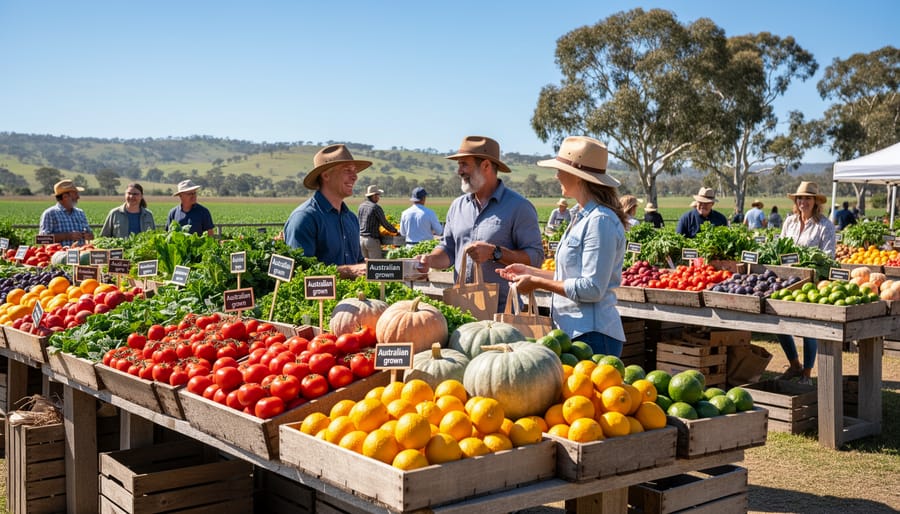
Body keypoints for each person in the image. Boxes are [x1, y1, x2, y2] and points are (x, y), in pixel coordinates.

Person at [497, 136, 627, 356]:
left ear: (578, 177)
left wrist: (537, 282)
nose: (556, 175)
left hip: (592, 336)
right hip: (574, 333)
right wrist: (529, 271)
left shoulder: (599, 221)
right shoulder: (581, 217)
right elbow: (569, 276)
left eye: (560, 170)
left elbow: (592, 288)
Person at [416, 135, 543, 312]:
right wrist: (430, 260)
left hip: (503, 312)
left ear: (485, 166)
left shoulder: (519, 207)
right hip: (463, 308)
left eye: (464, 164)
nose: (459, 171)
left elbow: (535, 258)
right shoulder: (457, 206)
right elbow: (448, 249)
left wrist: (495, 253)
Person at [777, 181, 836, 385]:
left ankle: (807, 374)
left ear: (815, 202)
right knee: (780, 324)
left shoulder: (824, 225)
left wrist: (809, 267)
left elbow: (829, 257)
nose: (803, 202)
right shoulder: (789, 222)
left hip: (812, 282)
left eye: (808, 198)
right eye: (800, 198)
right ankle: (794, 365)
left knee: (808, 328)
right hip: (788, 280)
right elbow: (781, 249)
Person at [284, 144, 370, 278]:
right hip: (320, 299)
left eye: (355, 171)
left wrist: (399, 267)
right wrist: (349, 271)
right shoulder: (304, 218)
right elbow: (299, 272)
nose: (355, 177)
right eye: (347, 170)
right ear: (325, 175)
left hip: (354, 297)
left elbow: (358, 262)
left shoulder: (351, 218)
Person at [39, 179, 94, 246]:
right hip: (59, 255)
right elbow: (43, 239)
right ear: (65, 196)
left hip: (81, 254)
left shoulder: (80, 213)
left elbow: (90, 235)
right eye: (75, 194)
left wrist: (89, 235)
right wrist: (68, 236)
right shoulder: (50, 213)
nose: (78, 197)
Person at [358, 185, 399, 259]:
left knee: (364, 266)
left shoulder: (361, 206)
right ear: (374, 196)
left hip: (361, 239)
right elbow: (385, 224)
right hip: (372, 240)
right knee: (376, 265)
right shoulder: (375, 208)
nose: (379, 197)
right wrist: (396, 231)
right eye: (378, 195)